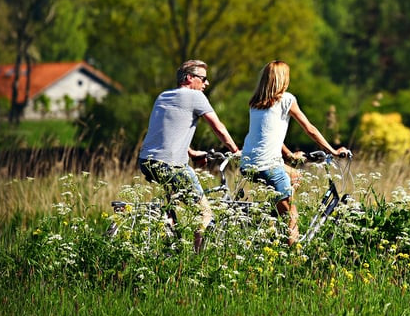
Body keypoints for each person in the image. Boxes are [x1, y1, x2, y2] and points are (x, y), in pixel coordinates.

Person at [240, 60, 350, 245]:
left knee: (295, 175)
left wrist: (289, 154)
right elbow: (309, 128)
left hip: (248, 163)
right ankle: (293, 260)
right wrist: (332, 151)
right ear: (283, 79)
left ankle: (274, 220)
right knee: (292, 216)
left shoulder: (255, 103)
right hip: (268, 165)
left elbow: (267, 134)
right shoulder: (287, 99)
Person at [138, 59, 240, 252]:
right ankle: (196, 259)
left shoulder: (163, 96)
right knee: (205, 213)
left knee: (171, 207)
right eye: (203, 79)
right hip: (170, 164)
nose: (206, 83)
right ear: (189, 78)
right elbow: (218, 127)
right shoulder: (195, 97)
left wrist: (192, 152)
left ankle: (170, 246)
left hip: (146, 161)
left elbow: (168, 132)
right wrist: (235, 151)